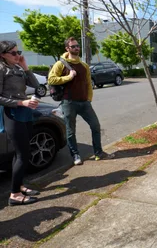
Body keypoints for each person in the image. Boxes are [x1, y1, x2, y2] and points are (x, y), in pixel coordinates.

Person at [48, 37, 114, 166]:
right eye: (73, 46)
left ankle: (98, 153)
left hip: (84, 103)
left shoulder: (84, 66)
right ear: (67, 48)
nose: (76, 48)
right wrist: (69, 77)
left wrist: (89, 98)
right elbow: (51, 80)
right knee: (70, 131)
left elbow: (88, 83)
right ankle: (75, 155)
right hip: (69, 102)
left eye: (77, 46)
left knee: (95, 126)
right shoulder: (60, 64)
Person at [0, 40, 41, 206]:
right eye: (14, 53)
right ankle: (14, 195)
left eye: (19, 52)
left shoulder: (17, 67)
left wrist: (25, 67)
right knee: (23, 155)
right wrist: (20, 103)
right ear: (2, 55)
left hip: (25, 114)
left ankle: (19, 185)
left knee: (20, 154)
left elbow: (36, 86)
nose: (18, 55)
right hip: (13, 114)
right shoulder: (1, 69)